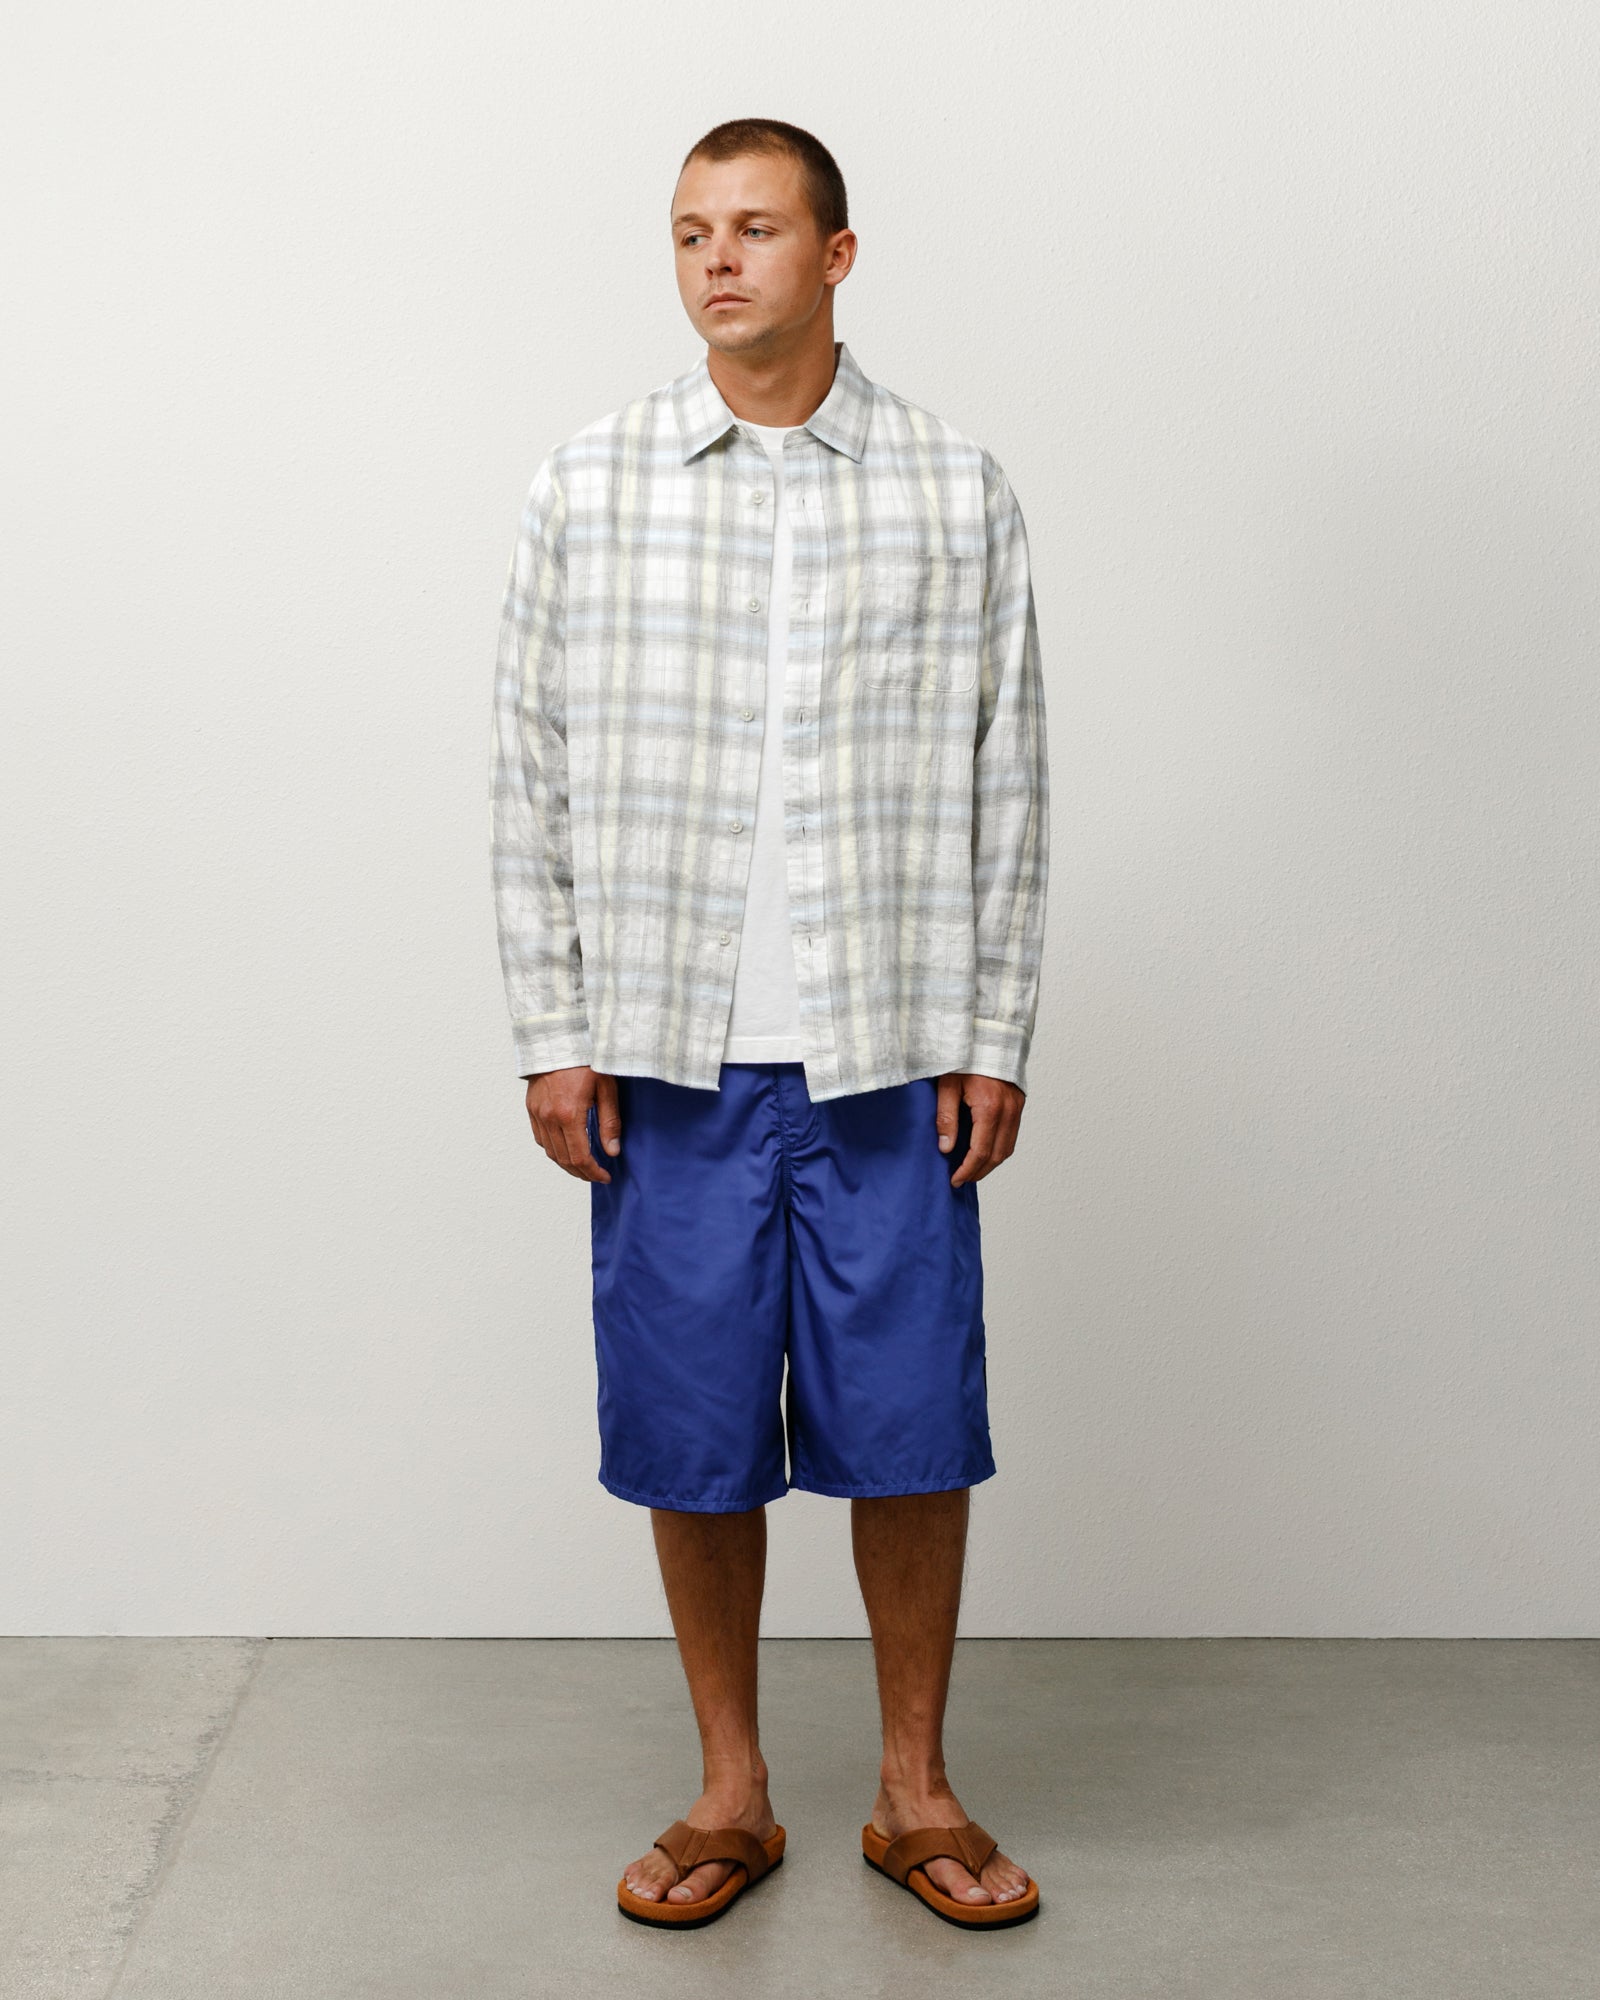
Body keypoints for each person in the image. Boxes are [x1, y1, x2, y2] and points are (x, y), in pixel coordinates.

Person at [489, 117, 1050, 1932]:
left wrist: (995, 1030)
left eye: (753, 228)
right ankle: (731, 1789)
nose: (717, 260)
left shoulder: (955, 489)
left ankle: (913, 1791)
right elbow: (530, 771)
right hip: (668, 1055)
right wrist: (553, 1024)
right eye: (689, 233)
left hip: (890, 1046)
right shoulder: (590, 483)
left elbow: (1009, 782)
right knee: (694, 1424)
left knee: (912, 1424)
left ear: (837, 254)